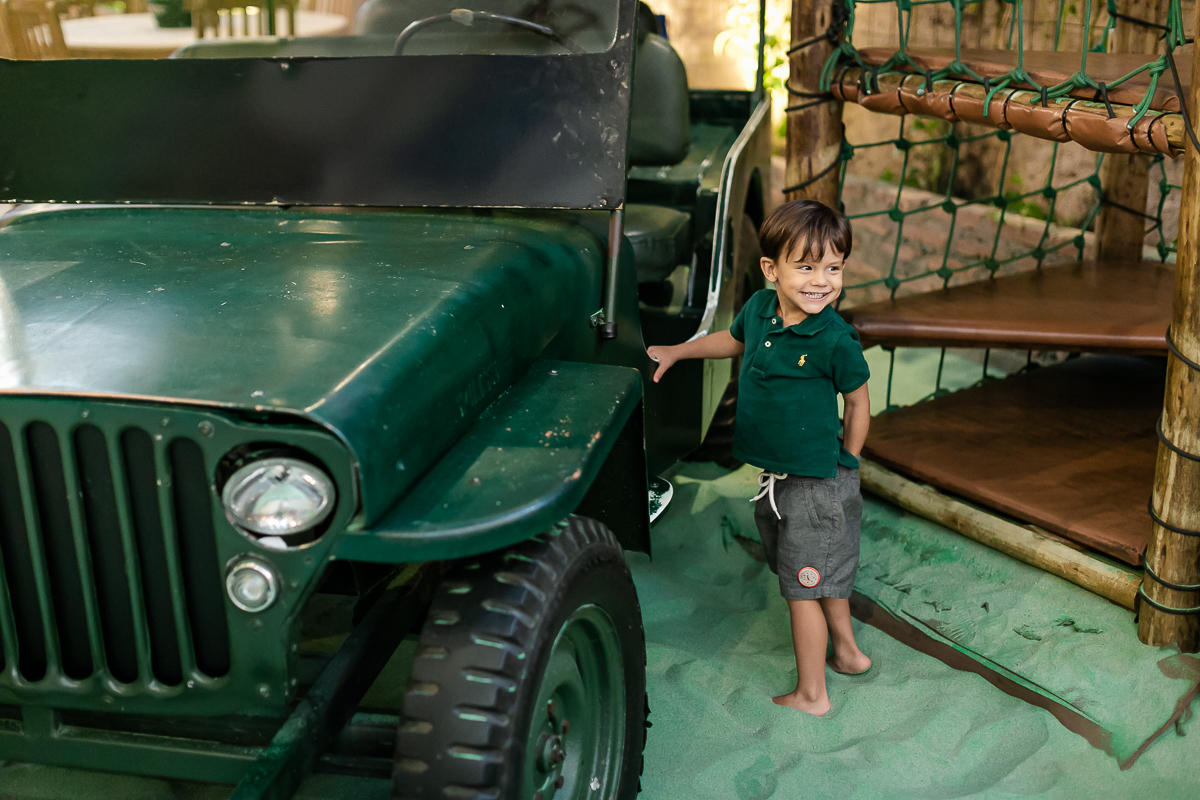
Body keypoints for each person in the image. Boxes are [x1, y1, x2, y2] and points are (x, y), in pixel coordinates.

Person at [647, 199, 872, 717]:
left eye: (833, 268)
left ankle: (812, 694)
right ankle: (849, 653)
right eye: (807, 266)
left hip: (816, 483)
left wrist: (847, 463)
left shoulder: (835, 340)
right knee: (822, 573)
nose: (822, 281)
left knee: (803, 589)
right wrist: (679, 350)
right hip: (779, 478)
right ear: (772, 270)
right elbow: (732, 340)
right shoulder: (760, 309)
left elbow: (858, 403)